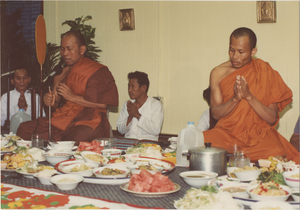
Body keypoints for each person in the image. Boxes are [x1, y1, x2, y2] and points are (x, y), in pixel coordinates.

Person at [203, 27, 299, 164]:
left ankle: (235, 157)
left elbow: (271, 118)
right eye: (231, 50)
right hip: (227, 134)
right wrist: (235, 99)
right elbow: (216, 114)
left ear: (253, 51)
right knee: (201, 142)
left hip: (259, 136)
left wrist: (249, 97)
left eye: (241, 52)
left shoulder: (265, 71)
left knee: (277, 151)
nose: (235, 56)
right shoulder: (218, 73)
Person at [17, 30, 118, 144]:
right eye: (62, 49)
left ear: (82, 49)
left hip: (90, 119)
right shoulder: (60, 73)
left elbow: (102, 104)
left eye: (69, 49)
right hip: (65, 117)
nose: (65, 53)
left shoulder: (96, 70)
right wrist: (49, 101)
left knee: (74, 138)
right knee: (24, 129)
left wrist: (71, 97)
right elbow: (54, 105)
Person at [116, 71, 163, 141]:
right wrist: (130, 117)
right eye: (129, 86)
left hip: (148, 146)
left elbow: (156, 130)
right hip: (128, 144)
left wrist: (138, 116)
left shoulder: (155, 105)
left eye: (133, 87)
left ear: (143, 88)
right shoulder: (128, 104)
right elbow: (120, 130)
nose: (129, 90)